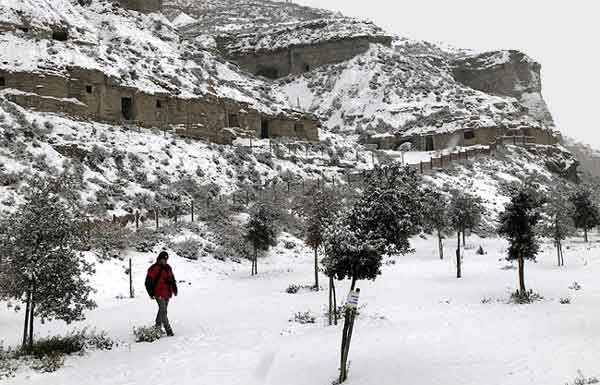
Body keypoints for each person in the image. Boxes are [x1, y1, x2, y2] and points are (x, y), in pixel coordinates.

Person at [145, 251, 178, 336]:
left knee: (162, 311)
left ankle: (157, 327)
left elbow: (172, 278)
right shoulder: (153, 268)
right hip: (158, 293)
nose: (165, 261)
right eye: (163, 259)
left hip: (167, 292)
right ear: (159, 259)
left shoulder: (168, 268)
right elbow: (147, 282)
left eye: (166, 259)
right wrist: (151, 293)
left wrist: (175, 288)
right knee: (163, 311)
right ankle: (168, 330)